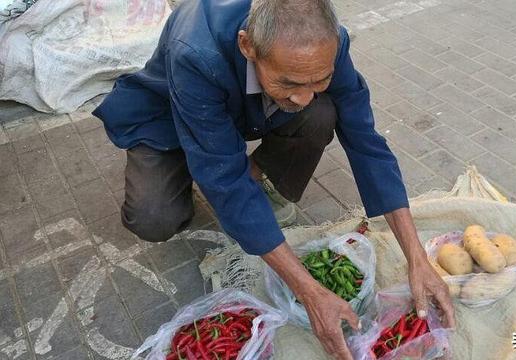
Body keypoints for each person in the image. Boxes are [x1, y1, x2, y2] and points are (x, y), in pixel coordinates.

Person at [93, 0, 455, 358]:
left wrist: (417, 259)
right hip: (170, 113)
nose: (303, 95)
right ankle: (191, 162)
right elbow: (226, 182)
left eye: (321, 78)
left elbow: (367, 144)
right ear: (247, 45)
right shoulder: (196, 51)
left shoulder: (325, 43)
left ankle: (241, 169)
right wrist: (309, 292)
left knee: (320, 113)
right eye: (290, 82)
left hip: (245, 108)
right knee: (154, 217)